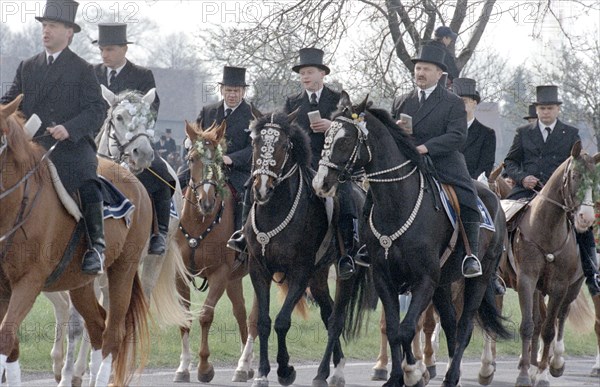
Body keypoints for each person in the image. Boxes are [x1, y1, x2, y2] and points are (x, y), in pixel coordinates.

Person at [1, 0, 106, 275]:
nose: (45, 31)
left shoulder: (83, 69)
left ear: (69, 32)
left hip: (70, 148)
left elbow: (97, 109)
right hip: (31, 147)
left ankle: (96, 246)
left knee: (88, 179)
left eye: (52, 26)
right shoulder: (27, 66)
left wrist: (70, 128)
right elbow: (10, 100)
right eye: (44, 26)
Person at [391, 43, 482, 278]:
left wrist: (426, 147)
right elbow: (388, 136)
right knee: (375, 192)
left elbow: (457, 135)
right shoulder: (402, 100)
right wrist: (396, 130)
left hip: (444, 161)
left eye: (426, 69)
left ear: (440, 74)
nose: (420, 73)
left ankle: (470, 255)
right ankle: (365, 247)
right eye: (418, 68)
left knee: (469, 199)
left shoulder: (452, 101)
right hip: (407, 163)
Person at [504, 85, 600, 296]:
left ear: (557, 110)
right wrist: (522, 178)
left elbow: (579, 166)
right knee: (502, 218)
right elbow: (509, 162)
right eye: (542, 108)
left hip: (560, 195)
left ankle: (592, 274)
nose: (546, 112)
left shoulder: (571, 133)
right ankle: (495, 270)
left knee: (583, 226)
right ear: (536, 110)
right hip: (526, 191)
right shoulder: (523, 133)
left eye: (550, 108)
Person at [93, 22, 173, 255]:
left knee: (163, 174)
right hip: (98, 142)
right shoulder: (92, 74)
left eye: (110, 49)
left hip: (133, 142)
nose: (104, 54)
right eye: (102, 50)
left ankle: (160, 234)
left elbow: (151, 109)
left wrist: (135, 139)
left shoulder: (142, 75)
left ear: (124, 49)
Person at [286, 48, 357, 279]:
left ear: (322, 74)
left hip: (334, 168)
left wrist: (331, 126)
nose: (305, 77)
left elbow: (352, 132)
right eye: (302, 73)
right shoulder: (292, 102)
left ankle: (348, 252)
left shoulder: (338, 99)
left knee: (346, 199)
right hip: (304, 167)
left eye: (309, 72)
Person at [193, 66, 253, 243]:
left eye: (236, 91)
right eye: (228, 90)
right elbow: (194, 135)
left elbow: (252, 148)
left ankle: (240, 237)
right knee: (177, 182)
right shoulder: (208, 111)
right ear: (221, 90)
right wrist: (191, 145)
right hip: (205, 167)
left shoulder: (251, 114)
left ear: (243, 91)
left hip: (236, 170)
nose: (232, 95)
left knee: (246, 195)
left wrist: (231, 159)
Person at [452, 78, 496, 179]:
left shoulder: (486, 134)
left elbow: (485, 166)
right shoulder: (443, 130)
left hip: (472, 183)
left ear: (474, 104)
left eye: (464, 101)